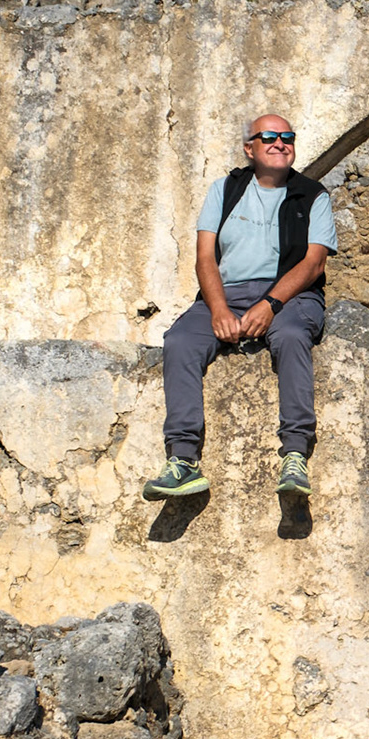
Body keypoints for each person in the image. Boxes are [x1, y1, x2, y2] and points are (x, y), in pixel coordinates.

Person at [142, 114, 337, 500]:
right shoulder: (224, 190)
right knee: (180, 341)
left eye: (287, 137)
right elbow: (204, 257)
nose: (280, 143)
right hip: (226, 293)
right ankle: (183, 460)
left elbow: (314, 263)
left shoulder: (313, 195)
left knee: (292, 335)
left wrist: (271, 304)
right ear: (250, 148)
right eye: (269, 137)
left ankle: (295, 453)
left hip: (291, 295)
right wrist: (218, 310)